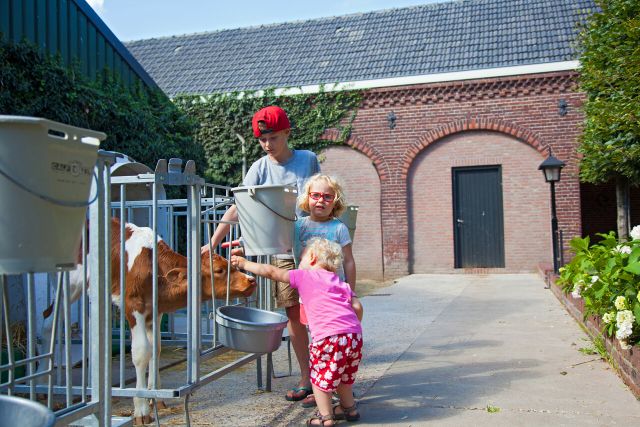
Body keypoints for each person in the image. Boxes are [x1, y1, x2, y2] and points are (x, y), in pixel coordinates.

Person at [201, 105, 320, 402]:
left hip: (313, 250)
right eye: (262, 139)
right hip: (282, 251)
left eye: (274, 138)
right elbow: (239, 207)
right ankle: (307, 379)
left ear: (287, 133)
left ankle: (331, 376)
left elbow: (322, 195)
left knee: (320, 312)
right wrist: (213, 243)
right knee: (293, 314)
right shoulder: (259, 168)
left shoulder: (308, 160)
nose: (268, 145)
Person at [231, 238, 363, 426]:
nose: (298, 262)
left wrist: (245, 263)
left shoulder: (304, 276)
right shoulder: (341, 283)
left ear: (311, 257)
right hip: (353, 336)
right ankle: (349, 410)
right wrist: (349, 328)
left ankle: (325, 417)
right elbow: (357, 308)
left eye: (300, 258)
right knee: (343, 376)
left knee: (318, 378)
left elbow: (271, 271)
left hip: (328, 337)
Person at [294, 174, 360, 408]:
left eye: (327, 197)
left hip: (333, 297)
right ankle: (321, 385)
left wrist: (351, 292)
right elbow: (281, 244)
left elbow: (349, 261)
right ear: (307, 198)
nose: (320, 201)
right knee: (317, 342)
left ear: (335, 201)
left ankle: (331, 388)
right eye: (315, 195)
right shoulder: (299, 226)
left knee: (332, 340)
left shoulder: (338, 228)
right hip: (309, 298)